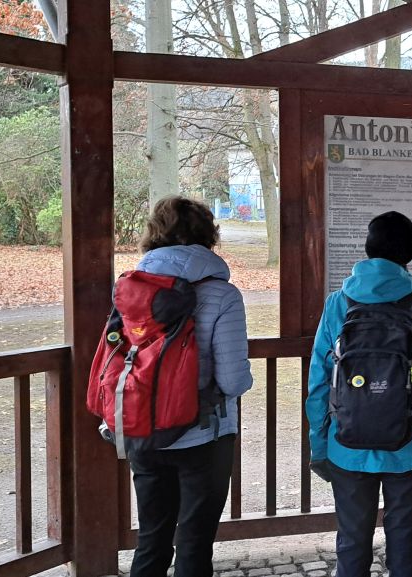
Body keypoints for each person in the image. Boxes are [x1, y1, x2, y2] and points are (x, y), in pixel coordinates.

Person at [305, 211, 412, 577]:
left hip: (346, 445)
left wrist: (320, 445)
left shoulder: (338, 303)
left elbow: (319, 382)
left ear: (368, 248)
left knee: (352, 542)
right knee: (405, 541)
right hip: (410, 445)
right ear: (410, 253)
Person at [127, 196, 253, 577]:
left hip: (144, 431)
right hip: (204, 436)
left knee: (152, 539)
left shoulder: (131, 290)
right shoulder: (222, 295)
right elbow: (233, 380)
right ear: (207, 234)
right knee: (194, 544)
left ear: (155, 234)